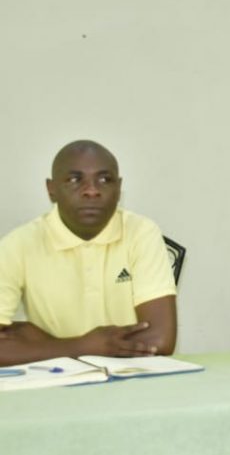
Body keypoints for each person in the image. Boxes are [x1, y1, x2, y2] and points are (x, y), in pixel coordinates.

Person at [0, 140, 177, 365]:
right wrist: (84, 346)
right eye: (75, 180)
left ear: (119, 188)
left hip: (133, 379)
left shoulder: (141, 232)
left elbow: (160, 340)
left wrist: (45, 345)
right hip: (55, 382)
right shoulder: (18, 244)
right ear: (51, 189)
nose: (91, 191)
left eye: (104, 180)